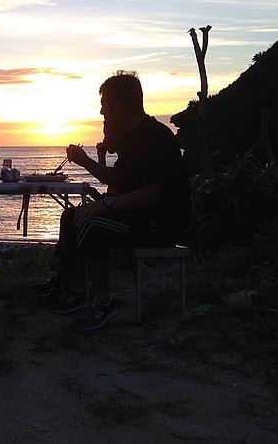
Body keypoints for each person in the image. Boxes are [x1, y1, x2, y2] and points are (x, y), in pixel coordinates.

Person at [35, 70, 191, 331]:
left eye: (104, 106)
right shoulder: (132, 138)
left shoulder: (155, 137)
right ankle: (74, 289)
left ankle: (102, 301)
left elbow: (152, 193)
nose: (101, 113)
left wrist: (104, 204)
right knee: (73, 216)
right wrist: (85, 161)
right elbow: (119, 178)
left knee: (93, 224)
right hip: (139, 216)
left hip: (160, 222)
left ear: (118, 107)